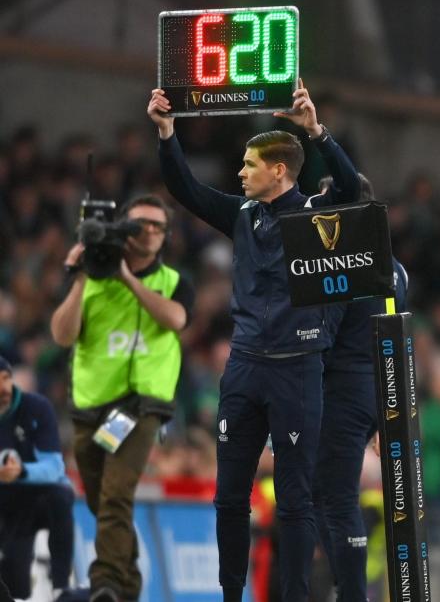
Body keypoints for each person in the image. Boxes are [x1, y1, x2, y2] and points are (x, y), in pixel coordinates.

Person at [147, 79, 359, 602]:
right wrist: (167, 132)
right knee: (227, 497)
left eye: (249, 165)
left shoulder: (315, 214)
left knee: (293, 499)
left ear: (279, 170)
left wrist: (317, 133)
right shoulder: (241, 215)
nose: (239, 172)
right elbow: (186, 191)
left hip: (297, 368)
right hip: (244, 366)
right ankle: (229, 594)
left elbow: (352, 191)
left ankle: (291, 596)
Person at [51, 195, 193, 602]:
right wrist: (81, 277)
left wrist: (128, 278)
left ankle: (106, 584)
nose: (147, 232)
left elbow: (175, 319)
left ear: (165, 236)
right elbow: (62, 335)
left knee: (116, 494)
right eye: (138, 225)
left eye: (156, 226)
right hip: (91, 405)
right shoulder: (90, 278)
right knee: (100, 499)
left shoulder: (174, 281)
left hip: (139, 406)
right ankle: (126, 587)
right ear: (121, 229)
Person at [308, 173, 409, 601]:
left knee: (336, 498)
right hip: (375, 388)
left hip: (343, 390)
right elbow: (395, 335)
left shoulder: (342, 262)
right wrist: (391, 406)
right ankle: (345, 587)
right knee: (325, 494)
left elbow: (325, 337)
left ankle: (351, 594)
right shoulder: (396, 268)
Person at [0, 356, 74, 600]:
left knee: (61, 497)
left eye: (6, 379)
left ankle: (61, 586)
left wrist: (21, 472)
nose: (3, 388)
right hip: (6, 505)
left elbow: (55, 467)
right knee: (17, 584)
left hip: (35, 496)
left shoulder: (36, 407)